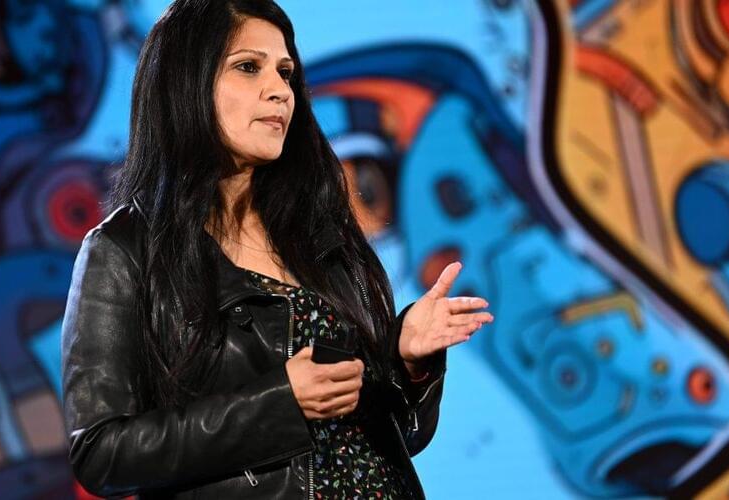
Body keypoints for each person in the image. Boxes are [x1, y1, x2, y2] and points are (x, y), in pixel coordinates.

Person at [60, 1, 494, 498]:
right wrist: (280, 404)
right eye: (249, 67)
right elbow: (101, 452)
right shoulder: (124, 250)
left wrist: (406, 362)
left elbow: (392, 437)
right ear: (186, 82)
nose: (279, 91)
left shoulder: (322, 233)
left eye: (285, 73)